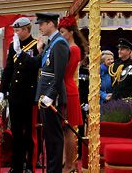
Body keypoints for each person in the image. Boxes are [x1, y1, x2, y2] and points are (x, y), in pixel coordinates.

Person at [0, 17, 39, 173]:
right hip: (15, 94)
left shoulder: (36, 45)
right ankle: (16, 165)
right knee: (15, 132)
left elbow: (35, 66)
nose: (15, 33)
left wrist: (21, 53)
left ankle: (29, 165)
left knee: (28, 132)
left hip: (29, 94)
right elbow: (9, 69)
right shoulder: (12, 46)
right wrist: (2, 89)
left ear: (26, 30)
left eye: (17, 30)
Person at [34, 12, 70, 173]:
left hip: (51, 97)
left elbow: (59, 73)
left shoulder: (60, 43)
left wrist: (51, 94)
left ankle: (54, 171)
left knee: (54, 137)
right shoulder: (52, 43)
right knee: (49, 137)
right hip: (45, 95)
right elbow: (46, 66)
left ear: (50, 24)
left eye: (41, 24)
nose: (40, 27)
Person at [58, 16, 86, 173]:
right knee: (65, 130)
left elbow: (64, 71)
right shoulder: (70, 48)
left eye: (62, 32)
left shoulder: (73, 49)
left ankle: (69, 164)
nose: (61, 35)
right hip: (67, 88)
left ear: (70, 32)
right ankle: (67, 163)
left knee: (68, 130)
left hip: (68, 90)